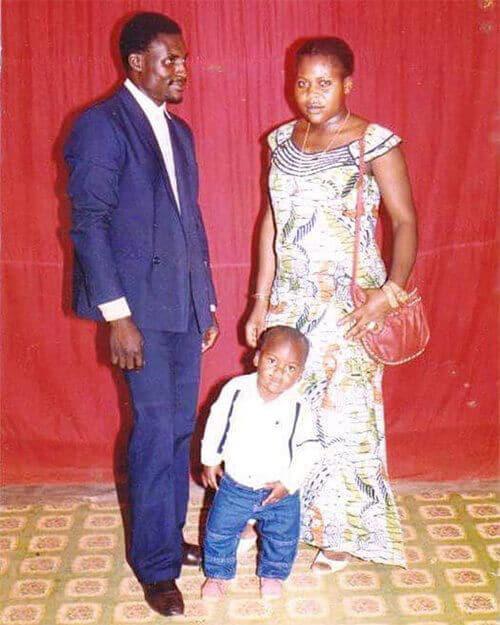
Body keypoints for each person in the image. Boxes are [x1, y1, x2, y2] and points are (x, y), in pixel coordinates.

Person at [64, 12, 219, 616]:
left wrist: (203, 296)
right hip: (137, 311)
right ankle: (153, 568)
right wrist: (117, 315)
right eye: (170, 59)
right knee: (155, 431)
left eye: (184, 58)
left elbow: (191, 220)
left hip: (179, 304)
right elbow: (88, 224)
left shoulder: (178, 131)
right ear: (136, 62)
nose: (183, 69)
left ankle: (161, 538)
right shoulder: (101, 126)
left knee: (179, 429)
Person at [246, 37, 417, 572]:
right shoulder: (280, 140)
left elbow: (406, 221)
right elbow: (271, 220)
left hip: (348, 308)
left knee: (342, 421)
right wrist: (259, 301)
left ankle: (341, 533)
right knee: (279, 412)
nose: (312, 94)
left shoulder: (374, 142)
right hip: (289, 301)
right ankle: (275, 517)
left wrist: (388, 295)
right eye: (302, 82)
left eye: (325, 83)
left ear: (348, 84)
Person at [200, 326, 321, 598]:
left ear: (300, 374)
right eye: (272, 361)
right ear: (256, 358)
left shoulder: (299, 405)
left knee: (282, 537)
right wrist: (210, 459)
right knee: (220, 532)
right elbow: (217, 423)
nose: (279, 373)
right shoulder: (235, 390)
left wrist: (290, 483)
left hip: (279, 491)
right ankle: (217, 575)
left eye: (290, 368)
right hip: (235, 485)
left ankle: (272, 575)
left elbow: (309, 447)